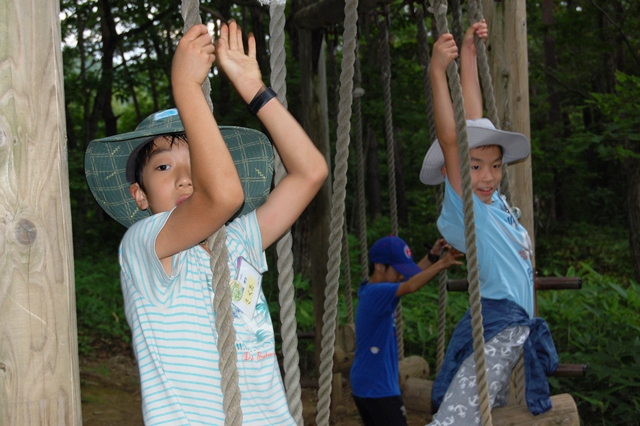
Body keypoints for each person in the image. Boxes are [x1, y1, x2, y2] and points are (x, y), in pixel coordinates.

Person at [84, 20, 328, 425]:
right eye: (164, 166)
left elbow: (310, 172)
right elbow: (222, 196)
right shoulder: (147, 245)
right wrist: (186, 89)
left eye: (198, 162)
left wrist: (254, 89)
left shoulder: (238, 241)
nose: (185, 177)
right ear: (139, 195)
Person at [419, 21, 558, 425]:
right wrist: (435, 72)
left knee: (486, 410)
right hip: (496, 327)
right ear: (453, 171)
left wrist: (467, 54)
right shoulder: (471, 207)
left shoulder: (494, 203)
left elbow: (472, 116)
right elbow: (453, 137)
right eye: (476, 167)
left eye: (496, 166)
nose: (489, 176)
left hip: (512, 329)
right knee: (459, 417)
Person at [349, 236, 463, 426]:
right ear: (379, 266)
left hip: (367, 383)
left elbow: (411, 277)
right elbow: (411, 285)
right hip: (378, 387)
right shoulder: (379, 293)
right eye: (398, 270)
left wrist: (432, 257)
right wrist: (442, 264)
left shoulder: (373, 290)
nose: (402, 275)